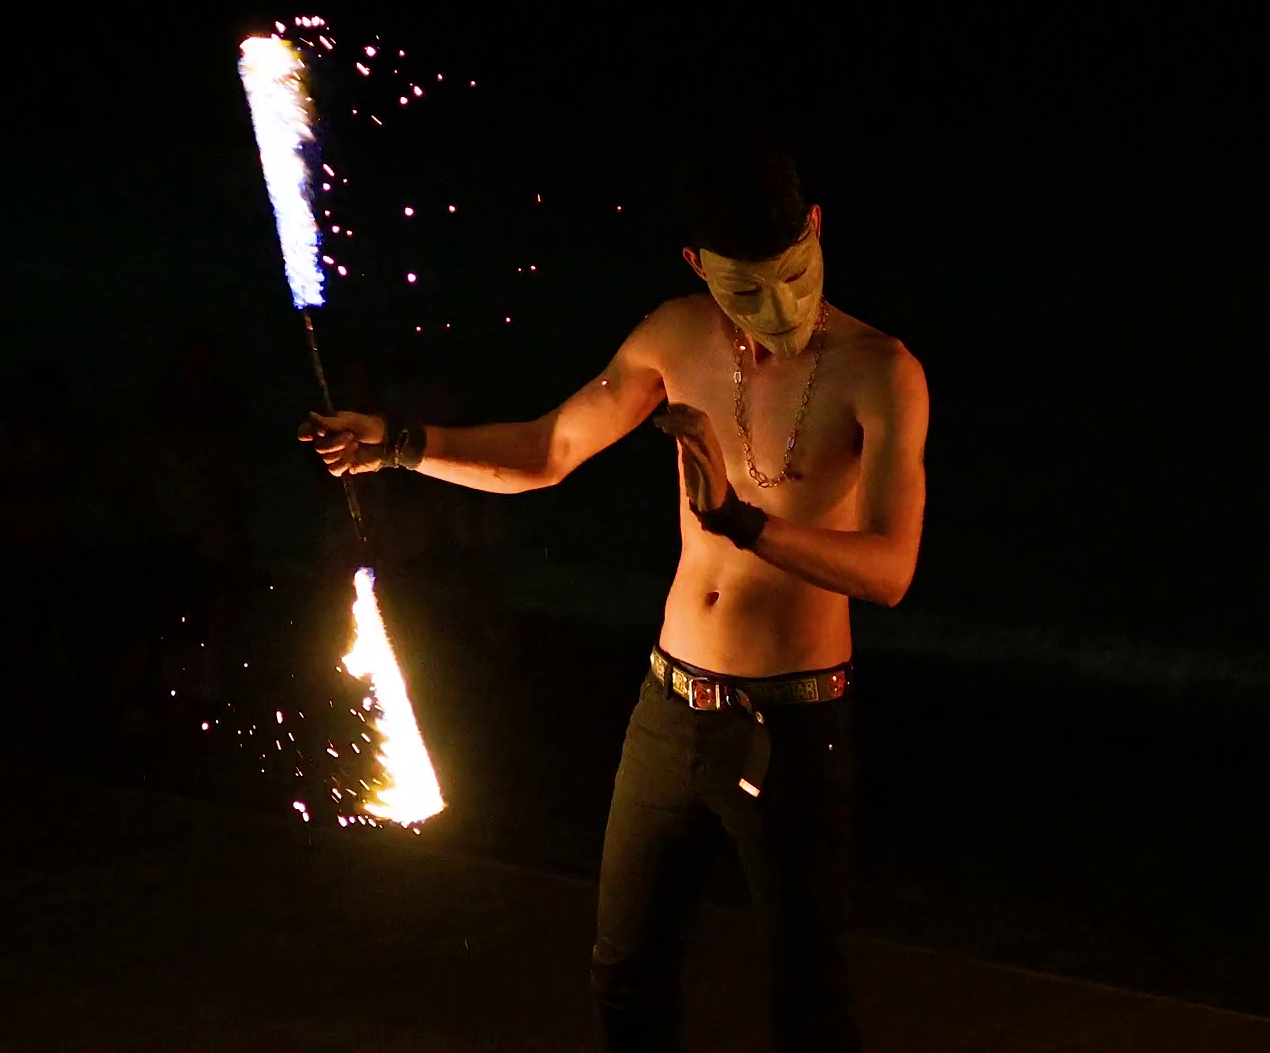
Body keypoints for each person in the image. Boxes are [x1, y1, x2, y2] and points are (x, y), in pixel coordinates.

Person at [299, 135, 928, 1052]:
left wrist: (742, 521)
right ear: (698, 265)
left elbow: (890, 569)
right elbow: (549, 449)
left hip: (793, 725)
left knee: (808, 1003)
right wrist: (398, 444)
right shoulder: (674, 335)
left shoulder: (882, 371)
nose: (780, 307)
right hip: (668, 711)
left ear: (817, 228)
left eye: (795, 275)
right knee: (625, 973)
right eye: (746, 289)